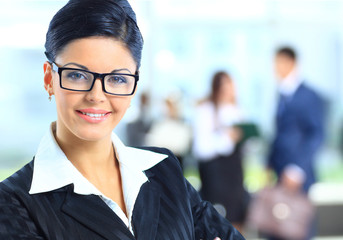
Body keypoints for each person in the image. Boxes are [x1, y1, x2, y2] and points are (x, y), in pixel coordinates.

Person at [0, 0, 245, 239]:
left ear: (134, 85)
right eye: (77, 75)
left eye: (117, 79)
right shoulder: (13, 201)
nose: (96, 96)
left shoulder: (163, 168)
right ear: (48, 79)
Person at [267, 47, 325, 239]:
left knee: (299, 228)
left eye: (278, 62)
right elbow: (280, 133)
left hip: (298, 175)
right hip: (279, 173)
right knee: (279, 229)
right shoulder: (282, 94)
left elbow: (316, 134)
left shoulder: (308, 95)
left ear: (290, 62)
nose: (275, 68)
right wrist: (269, 163)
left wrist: (296, 168)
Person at [192, 71, 249, 233]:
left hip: (235, 176)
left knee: (237, 221)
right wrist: (227, 139)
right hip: (215, 177)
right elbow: (201, 149)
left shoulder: (238, 110)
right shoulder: (205, 110)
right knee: (216, 225)